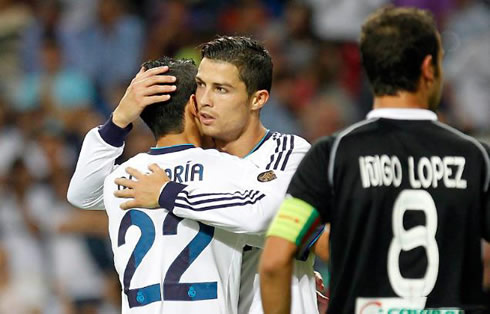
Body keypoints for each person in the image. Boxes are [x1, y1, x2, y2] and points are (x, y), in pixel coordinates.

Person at [259, 6, 490, 314]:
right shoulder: (476, 158)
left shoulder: (332, 155)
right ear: (428, 68)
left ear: (369, 69)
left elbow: (274, 261)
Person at [67, 36, 320, 314]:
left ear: (257, 99)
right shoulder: (192, 167)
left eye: (221, 89)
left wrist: (168, 194)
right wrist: (118, 120)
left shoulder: (287, 151)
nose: (205, 100)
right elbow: (83, 194)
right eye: (201, 86)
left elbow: (270, 217)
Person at [101, 56, 289, 313]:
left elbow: (78, 194)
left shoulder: (118, 179)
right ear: (193, 105)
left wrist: (119, 119)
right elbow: (271, 217)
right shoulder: (228, 169)